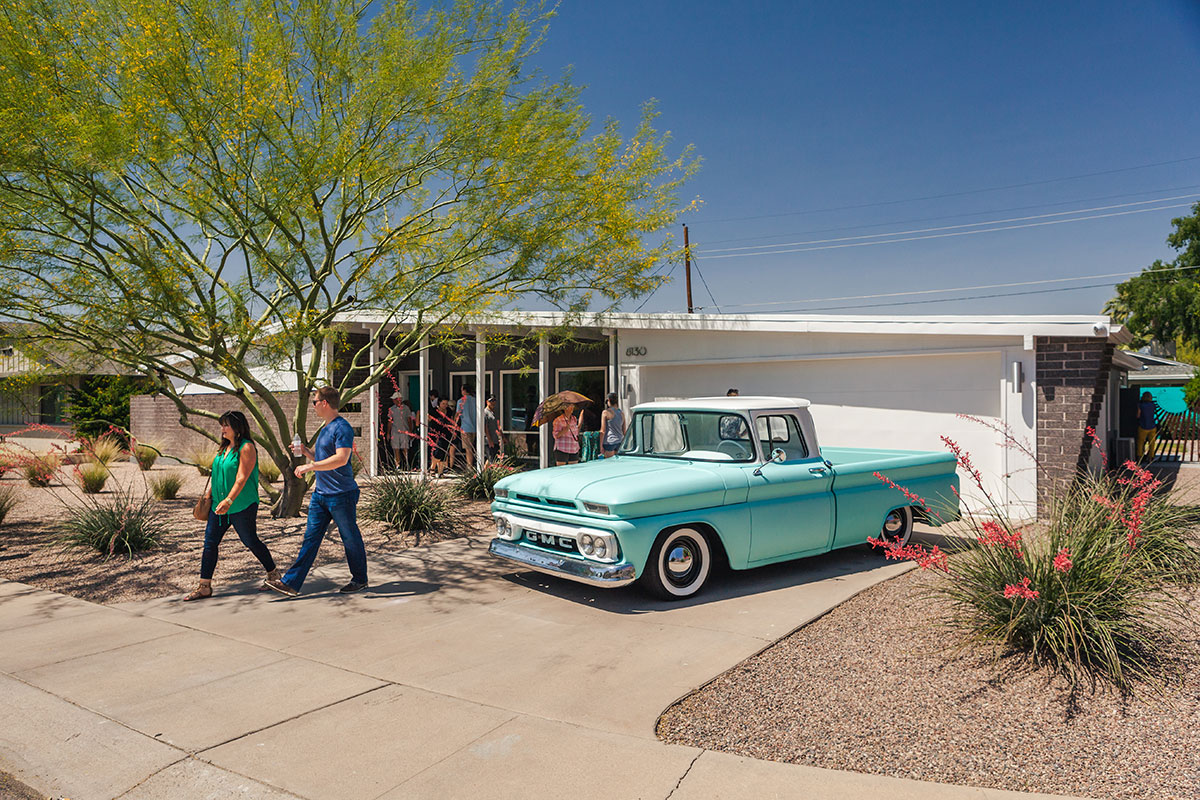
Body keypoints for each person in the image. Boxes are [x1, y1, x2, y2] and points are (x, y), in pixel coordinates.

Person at [267, 387, 368, 596]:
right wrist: (307, 453)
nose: (313, 406)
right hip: (321, 495)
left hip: (341, 495)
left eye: (315, 402)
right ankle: (291, 583)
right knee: (311, 539)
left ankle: (360, 579)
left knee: (350, 538)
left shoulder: (342, 427)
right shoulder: (326, 427)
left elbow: (341, 458)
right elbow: (323, 459)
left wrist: (310, 467)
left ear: (324, 403)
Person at [185, 411, 279, 601]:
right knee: (210, 543)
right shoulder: (223, 448)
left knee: (250, 541)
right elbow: (217, 474)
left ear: (237, 428)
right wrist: (208, 495)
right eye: (222, 425)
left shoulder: (247, 447)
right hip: (218, 506)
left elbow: (242, 477)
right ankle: (204, 586)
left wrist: (229, 500)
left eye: (226, 425)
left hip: (241, 505)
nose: (222, 429)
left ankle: (274, 575)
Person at [455, 383, 478, 471]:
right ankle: (473, 464)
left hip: (465, 428)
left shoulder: (461, 401)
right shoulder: (475, 400)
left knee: (468, 449)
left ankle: (469, 466)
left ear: (464, 391)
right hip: (475, 428)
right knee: (473, 447)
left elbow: (458, 414)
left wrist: (454, 424)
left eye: (462, 390)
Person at [430, 397, 454, 478]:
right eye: (443, 403)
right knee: (437, 452)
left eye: (446, 404)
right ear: (439, 403)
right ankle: (432, 468)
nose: (445, 405)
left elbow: (451, 422)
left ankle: (440, 472)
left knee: (444, 453)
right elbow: (429, 419)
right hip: (436, 433)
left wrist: (452, 432)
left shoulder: (449, 411)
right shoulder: (434, 411)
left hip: (446, 433)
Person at [388, 396, 414, 470]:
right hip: (395, 431)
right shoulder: (391, 409)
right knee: (396, 448)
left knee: (405, 448)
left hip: (404, 431)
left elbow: (409, 420)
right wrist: (388, 433)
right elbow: (389, 421)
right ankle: (398, 465)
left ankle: (406, 463)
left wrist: (410, 431)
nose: (394, 401)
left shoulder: (406, 408)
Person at [600, 393, 625, 458]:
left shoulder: (606, 412)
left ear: (608, 400)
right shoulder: (622, 413)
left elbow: (603, 431)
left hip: (609, 442)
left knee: (609, 465)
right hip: (619, 442)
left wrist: (600, 446)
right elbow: (624, 431)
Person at [1136, 391, 1159, 462]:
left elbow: (1138, 415)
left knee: (1140, 442)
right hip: (1152, 426)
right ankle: (1151, 457)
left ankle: (1139, 457)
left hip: (1143, 426)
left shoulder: (1140, 405)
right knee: (1152, 443)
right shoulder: (1153, 405)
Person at [483, 394, 504, 464]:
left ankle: (483, 473)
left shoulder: (494, 412)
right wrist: (489, 440)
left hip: (495, 440)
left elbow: (498, 425)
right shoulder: (485, 412)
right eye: (491, 401)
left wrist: (503, 437)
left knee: (491, 460)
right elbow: (485, 428)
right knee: (491, 460)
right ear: (487, 402)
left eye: (494, 401)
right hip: (489, 441)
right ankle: (489, 474)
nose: (493, 403)